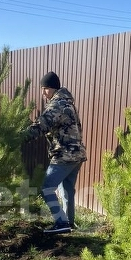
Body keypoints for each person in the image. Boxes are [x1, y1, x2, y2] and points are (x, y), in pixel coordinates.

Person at [24, 71, 87, 234]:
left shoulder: (57, 105)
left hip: (64, 155)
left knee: (46, 188)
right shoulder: (67, 102)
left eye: (45, 88)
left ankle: (61, 222)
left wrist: (19, 137)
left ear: (53, 88)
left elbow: (41, 125)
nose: (43, 93)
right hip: (76, 154)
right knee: (67, 190)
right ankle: (68, 223)